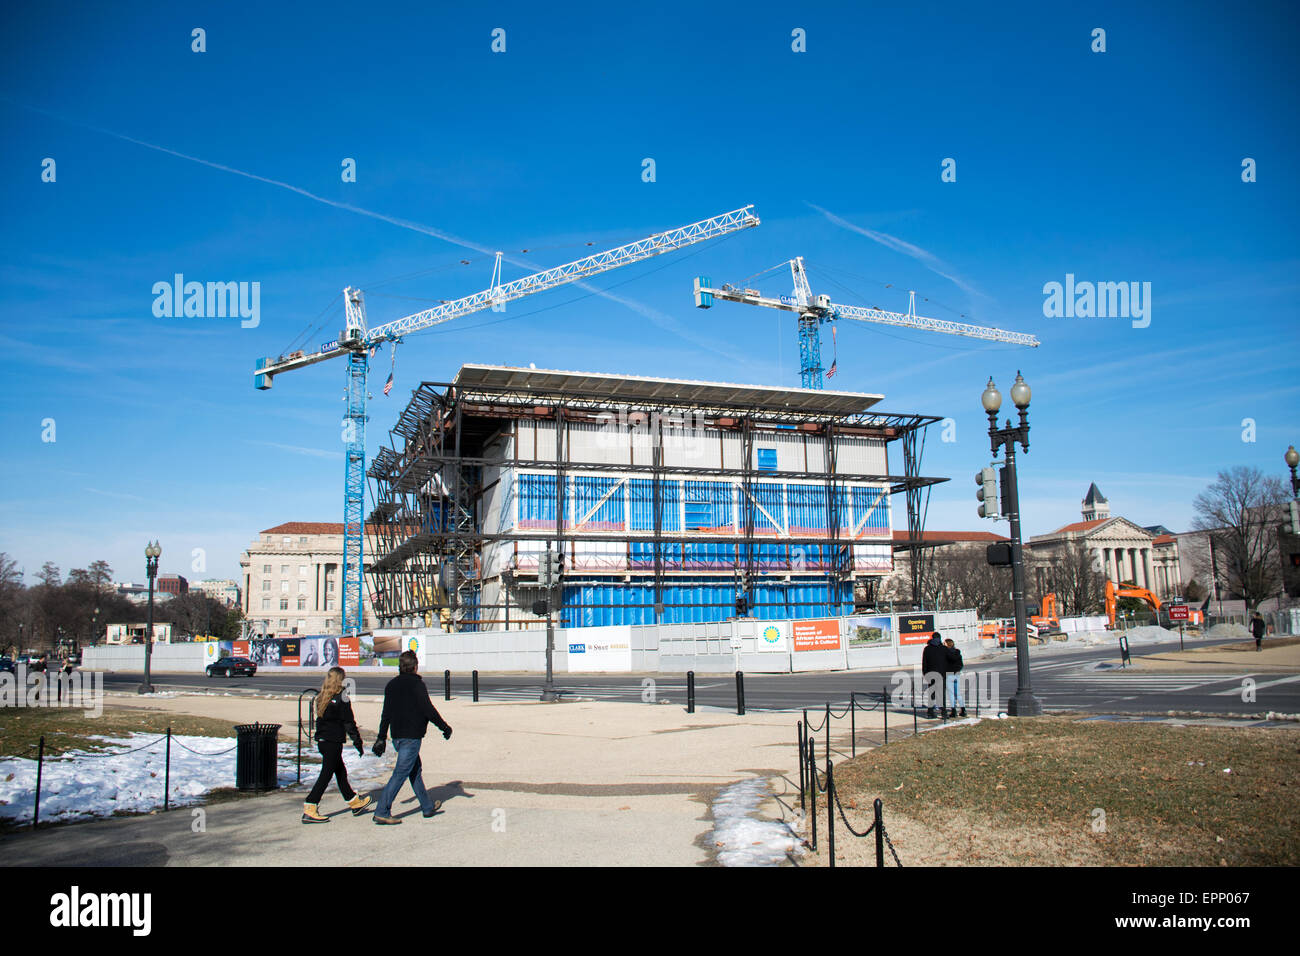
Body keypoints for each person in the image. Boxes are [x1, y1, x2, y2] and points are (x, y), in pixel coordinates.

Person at [371, 650, 453, 825]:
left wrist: (381, 737)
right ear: (415, 667)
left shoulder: (391, 685)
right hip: (411, 737)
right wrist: (444, 727)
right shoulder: (417, 685)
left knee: (414, 771)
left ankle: (427, 806)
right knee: (401, 773)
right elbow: (428, 710)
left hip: (398, 737)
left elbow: (386, 714)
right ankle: (382, 810)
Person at [302, 667, 373, 823]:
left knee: (340, 772)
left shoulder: (321, 696)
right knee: (326, 774)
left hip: (323, 741)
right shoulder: (342, 697)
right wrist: (357, 742)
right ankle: (310, 806)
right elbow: (349, 722)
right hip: (333, 742)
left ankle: (354, 802)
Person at [920, 631, 948, 719]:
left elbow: (924, 663)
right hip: (941, 674)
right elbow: (948, 662)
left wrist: (925, 674)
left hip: (931, 674)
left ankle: (930, 712)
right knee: (941, 694)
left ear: (932, 638)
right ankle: (943, 712)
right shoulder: (943, 648)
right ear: (939, 638)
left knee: (931, 694)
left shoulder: (927, 649)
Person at [944, 638, 966, 718]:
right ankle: (963, 709)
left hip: (949, 674)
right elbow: (961, 664)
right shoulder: (957, 652)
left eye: (944, 643)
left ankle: (953, 710)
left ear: (947, 644)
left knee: (951, 693)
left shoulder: (946, 653)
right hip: (957, 673)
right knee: (958, 693)